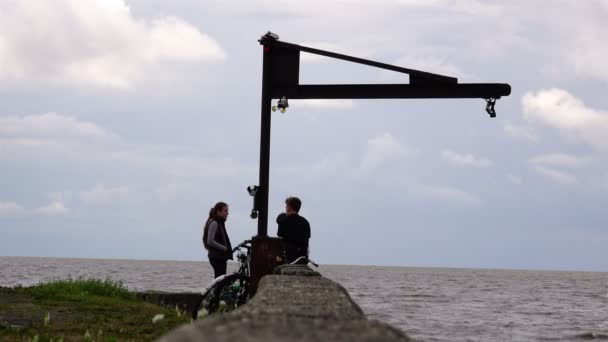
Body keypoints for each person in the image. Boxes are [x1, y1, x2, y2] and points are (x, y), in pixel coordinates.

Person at [202, 202, 233, 278]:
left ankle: (216, 290)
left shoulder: (220, 222)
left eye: (227, 211)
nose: (227, 213)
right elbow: (210, 241)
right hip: (217, 257)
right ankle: (215, 290)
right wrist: (224, 248)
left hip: (219, 257)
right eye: (225, 211)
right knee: (220, 281)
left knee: (220, 280)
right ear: (218, 212)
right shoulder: (214, 223)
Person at [276, 196, 311, 264]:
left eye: (286, 206)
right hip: (302, 258)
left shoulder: (283, 221)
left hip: (288, 258)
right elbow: (306, 243)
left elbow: (280, 239)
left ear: (289, 208)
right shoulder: (305, 222)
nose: (285, 208)